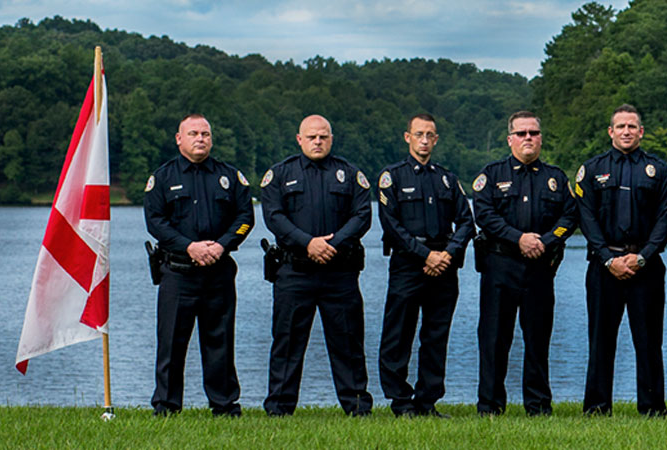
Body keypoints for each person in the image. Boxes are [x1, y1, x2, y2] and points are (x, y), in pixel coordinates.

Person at [259, 114, 373, 417]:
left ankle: (358, 407)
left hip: (340, 273)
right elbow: (273, 217)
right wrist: (307, 243)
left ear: (331, 139)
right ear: (300, 139)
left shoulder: (350, 174)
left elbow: (362, 217)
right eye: (311, 137)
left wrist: (331, 245)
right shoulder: (280, 174)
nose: (318, 141)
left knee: (348, 342)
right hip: (295, 271)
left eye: (323, 136)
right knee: (287, 343)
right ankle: (279, 409)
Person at [142, 114, 252, 417]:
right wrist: (188, 247)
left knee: (220, 341)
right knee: (171, 344)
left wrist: (222, 245)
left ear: (211, 139)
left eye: (205, 133)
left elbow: (245, 218)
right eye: (193, 133)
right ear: (179, 139)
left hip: (218, 271)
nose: (200, 138)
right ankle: (166, 406)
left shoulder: (230, 176)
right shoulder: (163, 178)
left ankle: (225, 405)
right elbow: (155, 223)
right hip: (178, 272)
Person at [472, 111, 580, 416]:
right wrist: (518, 238)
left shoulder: (556, 178)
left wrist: (545, 241)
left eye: (533, 132)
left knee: (537, 340)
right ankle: (490, 406)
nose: (528, 138)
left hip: (540, 269)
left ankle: (538, 405)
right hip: (500, 266)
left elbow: (569, 217)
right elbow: (484, 215)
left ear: (541, 138)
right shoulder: (491, 175)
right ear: (510, 139)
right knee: (494, 340)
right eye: (521, 133)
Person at [574, 104, 667, 416]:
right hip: (604, 266)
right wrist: (607, 258)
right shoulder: (592, 169)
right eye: (620, 126)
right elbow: (586, 217)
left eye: (632, 126)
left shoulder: (658, 170)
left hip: (645, 266)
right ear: (610, 131)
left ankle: (652, 408)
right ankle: (596, 406)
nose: (626, 132)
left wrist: (643, 256)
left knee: (648, 342)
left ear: (641, 132)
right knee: (600, 340)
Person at [374, 113, 474, 418]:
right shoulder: (392, 177)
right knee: (398, 335)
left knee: (435, 336)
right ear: (408, 137)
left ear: (437, 139)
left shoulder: (447, 179)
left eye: (430, 135)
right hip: (408, 265)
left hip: (444, 267)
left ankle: (427, 401)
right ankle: (401, 401)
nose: (425, 140)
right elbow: (391, 225)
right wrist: (424, 255)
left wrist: (447, 253)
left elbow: (467, 222)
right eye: (419, 134)